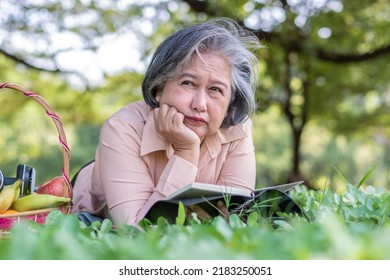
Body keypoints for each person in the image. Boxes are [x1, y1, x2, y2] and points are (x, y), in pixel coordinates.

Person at [71, 17, 261, 226]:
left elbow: (237, 216)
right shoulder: (122, 127)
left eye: (215, 89)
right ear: (159, 88)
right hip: (94, 193)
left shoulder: (237, 130)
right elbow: (136, 229)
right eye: (187, 83)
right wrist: (186, 151)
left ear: (230, 102)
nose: (200, 104)